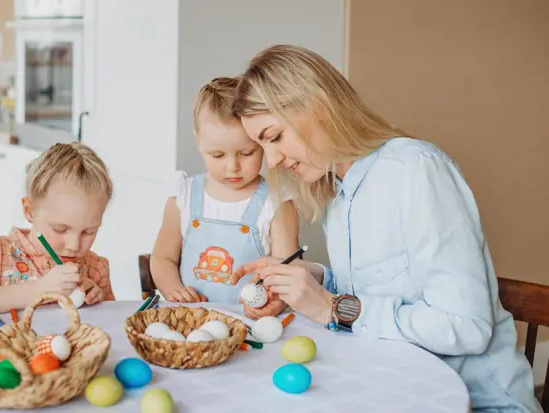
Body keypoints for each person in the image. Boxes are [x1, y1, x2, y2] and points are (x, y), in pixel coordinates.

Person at [229, 44, 541, 413]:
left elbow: (467, 326)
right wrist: (312, 279)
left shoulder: (415, 170)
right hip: (394, 391)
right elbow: (382, 288)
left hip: (476, 404)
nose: (274, 160)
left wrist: (334, 309)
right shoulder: (337, 192)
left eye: (275, 136)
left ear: (317, 106)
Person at [150, 77, 298, 318]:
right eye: (218, 155)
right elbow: (162, 258)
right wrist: (174, 291)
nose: (233, 167)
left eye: (247, 153)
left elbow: (287, 270)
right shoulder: (183, 196)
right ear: (199, 143)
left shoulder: (277, 203)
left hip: (252, 321)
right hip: (191, 319)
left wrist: (274, 302)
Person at [0, 142, 116, 322]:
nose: (74, 246)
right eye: (60, 229)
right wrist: (38, 289)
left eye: (89, 232)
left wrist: (97, 304)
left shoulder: (95, 268)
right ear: (29, 211)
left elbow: (113, 330)